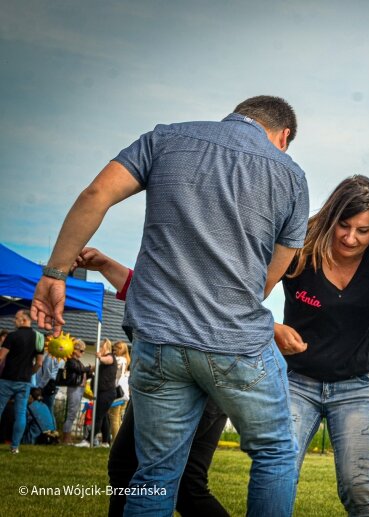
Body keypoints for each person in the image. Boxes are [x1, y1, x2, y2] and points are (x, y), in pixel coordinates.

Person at [30, 95, 309, 516]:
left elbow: (95, 193)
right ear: (283, 136)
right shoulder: (290, 174)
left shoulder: (167, 138)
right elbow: (267, 280)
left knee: (155, 475)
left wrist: (55, 273)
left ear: (237, 114)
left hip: (158, 342)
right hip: (236, 343)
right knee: (274, 453)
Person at [276, 174, 369, 516]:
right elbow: (249, 293)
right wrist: (273, 328)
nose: (351, 237)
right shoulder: (299, 249)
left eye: (363, 230)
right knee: (279, 474)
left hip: (356, 386)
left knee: (359, 490)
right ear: (331, 218)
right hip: (296, 382)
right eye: (344, 226)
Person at [75, 246, 228, 517]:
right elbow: (149, 289)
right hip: (212, 380)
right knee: (187, 483)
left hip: (180, 382)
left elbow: (161, 294)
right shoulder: (194, 259)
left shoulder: (196, 255)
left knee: (128, 468)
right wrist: (107, 265)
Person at [0, 310, 44, 453]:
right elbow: (39, 363)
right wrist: (28, 373)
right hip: (24, 382)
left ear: (24, 320)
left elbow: (1, 357)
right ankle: (15, 447)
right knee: (20, 413)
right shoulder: (39, 338)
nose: (14, 321)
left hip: (7, 379)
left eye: (16, 318)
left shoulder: (12, 336)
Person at [76, 338, 116, 447]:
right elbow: (93, 368)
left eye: (99, 348)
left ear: (104, 347)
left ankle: (88, 440)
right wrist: (87, 368)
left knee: (98, 416)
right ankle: (106, 442)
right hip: (103, 392)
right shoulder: (102, 361)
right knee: (103, 417)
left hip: (107, 392)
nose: (97, 350)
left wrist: (100, 357)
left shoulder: (110, 357)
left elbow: (107, 360)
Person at [61, 339, 89, 444]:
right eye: (81, 351)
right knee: (71, 413)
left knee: (73, 413)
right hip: (74, 388)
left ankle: (67, 438)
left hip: (79, 388)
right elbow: (80, 370)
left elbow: (83, 372)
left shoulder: (77, 361)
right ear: (75, 349)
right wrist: (90, 368)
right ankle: (66, 438)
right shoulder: (71, 361)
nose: (83, 353)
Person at [108, 340, 130, 442]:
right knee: (118, 418)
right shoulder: (126, 360)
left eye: (115, 349)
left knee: (114, 418)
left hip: (118, 394)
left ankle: (115, 442)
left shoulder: (119, 360)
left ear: (121, 349)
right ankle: (118, 441)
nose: (113, 351)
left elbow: (116, 375)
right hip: (124, 394)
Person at [36, 346, 63, 416]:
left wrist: (40, 386)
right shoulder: (62, 357)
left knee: (47, 409)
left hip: (47, 385)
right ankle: (51, 426)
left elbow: (47, 373)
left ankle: (49, 426)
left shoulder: (52, 356)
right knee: (49, 409)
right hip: (54, 385)